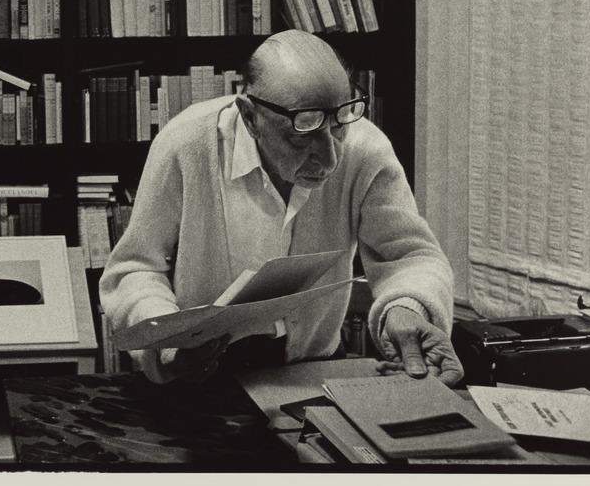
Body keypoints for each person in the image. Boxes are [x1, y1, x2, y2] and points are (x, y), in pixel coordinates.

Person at [99, 29, 461, 386]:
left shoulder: (366, 149)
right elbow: (133, 270)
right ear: (250, 117)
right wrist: (170, 346)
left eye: (338, 124)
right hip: (198, 378)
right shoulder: (185, 144)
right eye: (303, 130)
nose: (331, 157)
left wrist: (406, 308)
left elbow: (411, 256)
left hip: (312, 371)